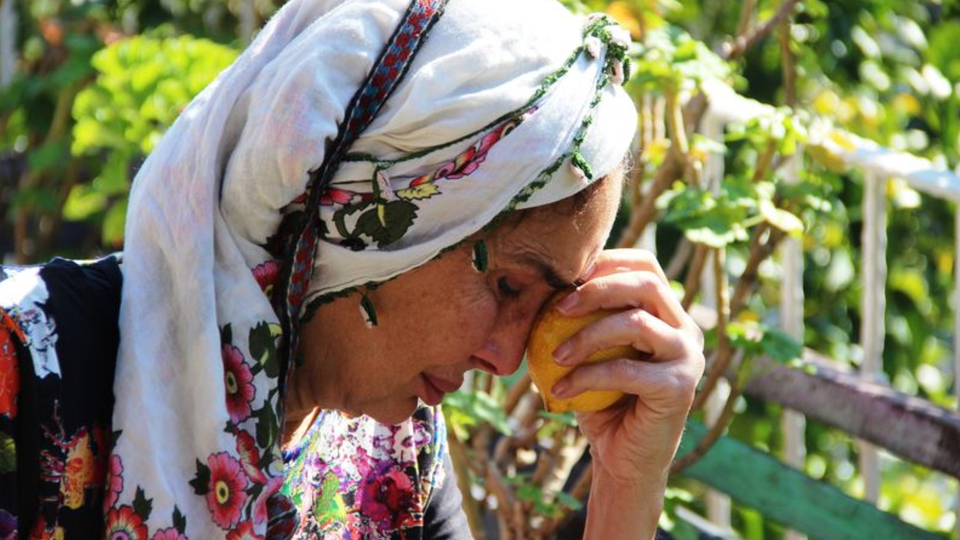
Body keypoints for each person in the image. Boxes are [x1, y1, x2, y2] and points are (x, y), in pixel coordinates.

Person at [0, 0, 705, 538]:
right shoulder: (25, 378)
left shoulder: (394, 454)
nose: (511, 358)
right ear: (365, 216)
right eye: (509, 286)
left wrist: (625, 484)